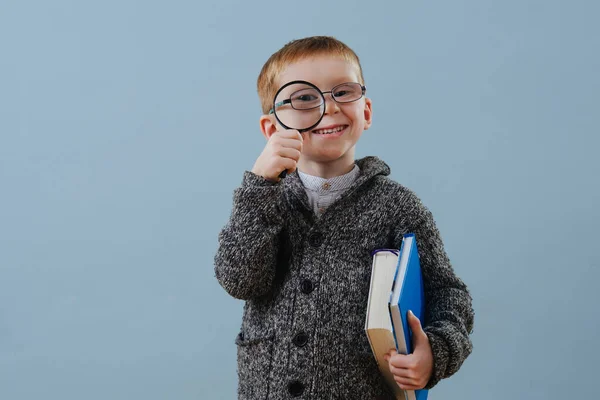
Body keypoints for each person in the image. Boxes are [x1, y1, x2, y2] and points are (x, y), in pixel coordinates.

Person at [214, 35, 474, 399]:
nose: (330, 108)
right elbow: (239, 280)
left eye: (343, 92)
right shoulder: (263, 201)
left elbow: (448, 295)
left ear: (365, 111)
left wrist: (436, 351)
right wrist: (259, 187)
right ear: (272, 129)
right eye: (305, 98)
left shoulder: (397, 207)